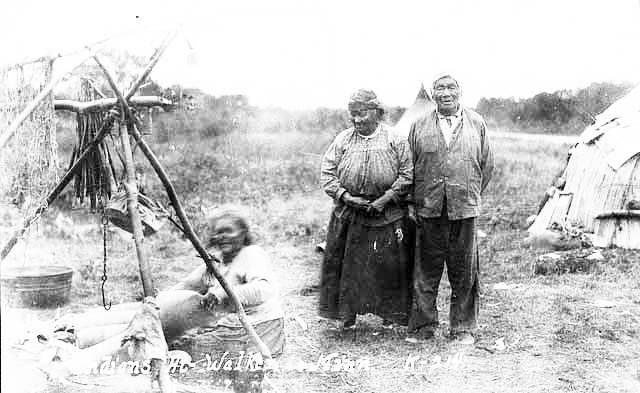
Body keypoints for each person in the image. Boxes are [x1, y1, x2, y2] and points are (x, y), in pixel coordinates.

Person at [51, 206, 285, 360]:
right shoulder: (217, 261)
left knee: (165, 335)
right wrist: (156, 303)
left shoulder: (251, 253)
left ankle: (84, 346)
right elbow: (187, 284)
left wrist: (224, 294)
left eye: (229, 231)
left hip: (255, 329)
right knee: (154, 312)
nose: (222, 237)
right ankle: (76, 329)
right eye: (218, 232)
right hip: (225, 323)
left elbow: (264, 289)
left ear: (243, 233)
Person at [407, 74, 494, 344]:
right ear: (432, 95)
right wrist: (413, 202)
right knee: (426, 270)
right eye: (440, 88)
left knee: (464, 270)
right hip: (428, 208)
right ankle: (423, 327)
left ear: (460, 91)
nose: (446, 93)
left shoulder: (477, 123)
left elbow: (486, 165)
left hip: (464, 209)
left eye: (451, 87)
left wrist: (467, 195)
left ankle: (463, 328)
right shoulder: (419, 125)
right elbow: (409, 167)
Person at [319, 88, 414, 330]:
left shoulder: (395, 138)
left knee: (387, 265)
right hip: (349, 212)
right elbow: (327, 175)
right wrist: (347, 197)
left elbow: (407, 175)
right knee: (348, 265)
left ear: (376, 112)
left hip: (387, 213)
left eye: (361, 113)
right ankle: (346, 314)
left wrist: (386, 198)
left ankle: (389, 314)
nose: (357, 120)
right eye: (353, 115)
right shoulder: (343, 139)